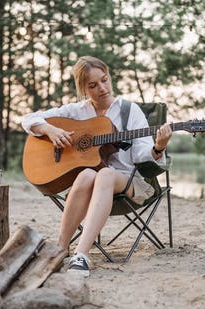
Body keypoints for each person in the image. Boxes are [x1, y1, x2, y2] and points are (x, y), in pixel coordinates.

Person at [22, 56, 172, 277]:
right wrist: (51, 131)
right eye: (93, 85)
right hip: (90, 184)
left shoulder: (129, 111)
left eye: (104, 80)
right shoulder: (76, 112)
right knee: (86, 175)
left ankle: (81, 254)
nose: (102, 88)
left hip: (129, 183)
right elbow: (28, 119)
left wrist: (158, 147)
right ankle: (61, 249)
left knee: (105, 174)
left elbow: (142, 154)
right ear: (83, 88)